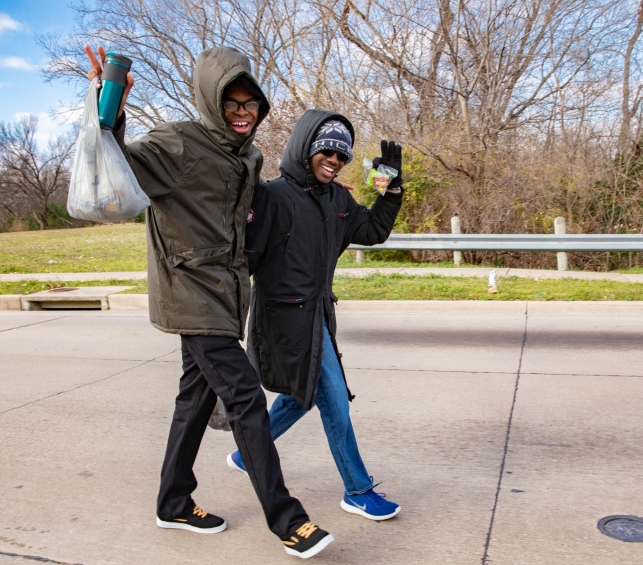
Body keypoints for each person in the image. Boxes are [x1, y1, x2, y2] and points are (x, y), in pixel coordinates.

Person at [84, 45, 332, 559]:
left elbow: (255, 208)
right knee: (245, 398)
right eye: (231, 103)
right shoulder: (177, 143)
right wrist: (107, 106)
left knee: (194, 399)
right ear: (210, 101)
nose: (243, 112)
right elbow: (116, 162)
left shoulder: (250, 155)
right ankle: (288, 519)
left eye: (250, 103)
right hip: (189, 288)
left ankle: (173, 501)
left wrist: (321, 194)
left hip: (226, 291)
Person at [226, 109, 403, 521]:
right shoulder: (272, 196)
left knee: (302, 395)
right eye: (327, 151)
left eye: (342, 156)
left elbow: (373, 231)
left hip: (319, 317)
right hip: (283, 321)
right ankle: (357, 490)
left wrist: (389, 192)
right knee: (334, 400)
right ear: (306, 147)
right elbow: (245, 261)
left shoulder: (338, 199)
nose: (334, 160)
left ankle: (248, 451)